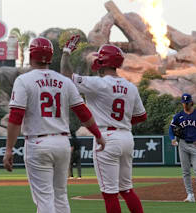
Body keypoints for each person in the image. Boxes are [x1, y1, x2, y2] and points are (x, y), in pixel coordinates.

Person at [3, 37, 105, 213]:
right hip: (62, 143)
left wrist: (9, 149)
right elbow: (83, 112)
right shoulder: (64, 81)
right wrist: (97, 134)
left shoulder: (24, 80)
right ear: (50, 57)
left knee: (44, 199)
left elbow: (16, 117)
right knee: (60, 197)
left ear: (31, 55)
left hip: (38, 143)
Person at [62, 40, 147, 213]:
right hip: (126, 137)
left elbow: (65, 75)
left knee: (110, 193)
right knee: (127, 189)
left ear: (103, 63)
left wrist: (65, 52)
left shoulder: (98, 83)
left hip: (106, 138)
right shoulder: (131, 87)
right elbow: (141, 116)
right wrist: (121, 123)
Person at [169, 93, 196, 203]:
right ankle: (190, 195)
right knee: (185, 172)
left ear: (191, 102)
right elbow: (171, 128)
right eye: (183, 103)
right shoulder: (178, 116)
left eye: (187, 103)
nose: (185, 105)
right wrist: (172, 138)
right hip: (183, 145)